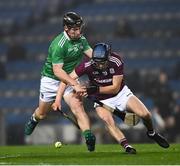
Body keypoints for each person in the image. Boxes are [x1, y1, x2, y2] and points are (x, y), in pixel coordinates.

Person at [53, 43, 170, 154]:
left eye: (102, 62)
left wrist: (91, 90)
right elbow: (66, 79)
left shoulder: (116, 61)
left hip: (121, 94)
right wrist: (63, 95)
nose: (99, 65)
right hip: (101, 100)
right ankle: (127, 146)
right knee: (107, 120)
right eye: (96, 62)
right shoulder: (87, 65)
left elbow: (114, 88)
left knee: (145, 115)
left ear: (108, 57)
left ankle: (152, 133)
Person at [24, 12, 96, 152]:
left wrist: (106, 61)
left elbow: (92, 55)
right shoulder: (59, 44)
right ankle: (34, 119)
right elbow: (58, 71)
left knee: (78, 106)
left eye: (79, 28)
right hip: (51, 80)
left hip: (70, 78)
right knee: (42, 114)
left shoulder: (82, 39)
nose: (78, 32)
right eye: (74, 29)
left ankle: (88, 136)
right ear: (66, 29)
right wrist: (74, 84)